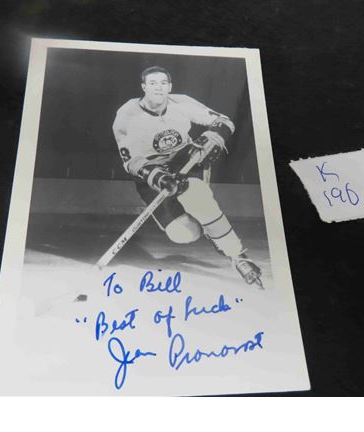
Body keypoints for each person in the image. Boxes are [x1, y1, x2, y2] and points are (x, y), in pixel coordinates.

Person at [112, 65, 263, 288]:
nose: (158, 87)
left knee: (198, 196)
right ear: (143, 87)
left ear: (169, 86)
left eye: (163, 83)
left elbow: (224, 121)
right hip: (151, 174)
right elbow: (131, 162)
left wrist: (214, 135)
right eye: (152, 83)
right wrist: (159, 178)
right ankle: (212, 230)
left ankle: (237, 255)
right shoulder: (127, 115)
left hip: (184, 162)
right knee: (183, 234)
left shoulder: (181, 102)